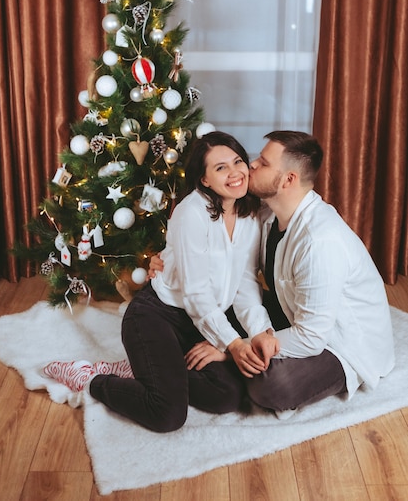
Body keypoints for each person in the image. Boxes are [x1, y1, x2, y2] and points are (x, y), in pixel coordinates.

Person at [42, 131, 279, 432]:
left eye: (237, 161)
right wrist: (231, 342)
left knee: (227, 397)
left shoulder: (250, 214)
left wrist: (256, 331)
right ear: (204, 179)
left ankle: (147, 370)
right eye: (221, 168)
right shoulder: (191, 213)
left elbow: (245, 282)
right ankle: (92, 379)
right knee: (166, 414)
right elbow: (194, 293)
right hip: (158, 315)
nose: (235, 172)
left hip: (201, 319)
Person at [151, 130, 395, 418]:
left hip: (340, 343)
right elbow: (232, 267)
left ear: (288, 179)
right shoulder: (264, 214)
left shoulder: (320, 242)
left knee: (272, 386)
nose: (251, 165)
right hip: (291, 313)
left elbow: (312, 337)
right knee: (221, 311)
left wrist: (233, 348)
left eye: (263, 163)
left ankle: (187, 370)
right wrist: (170, 259)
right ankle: (165, 362)